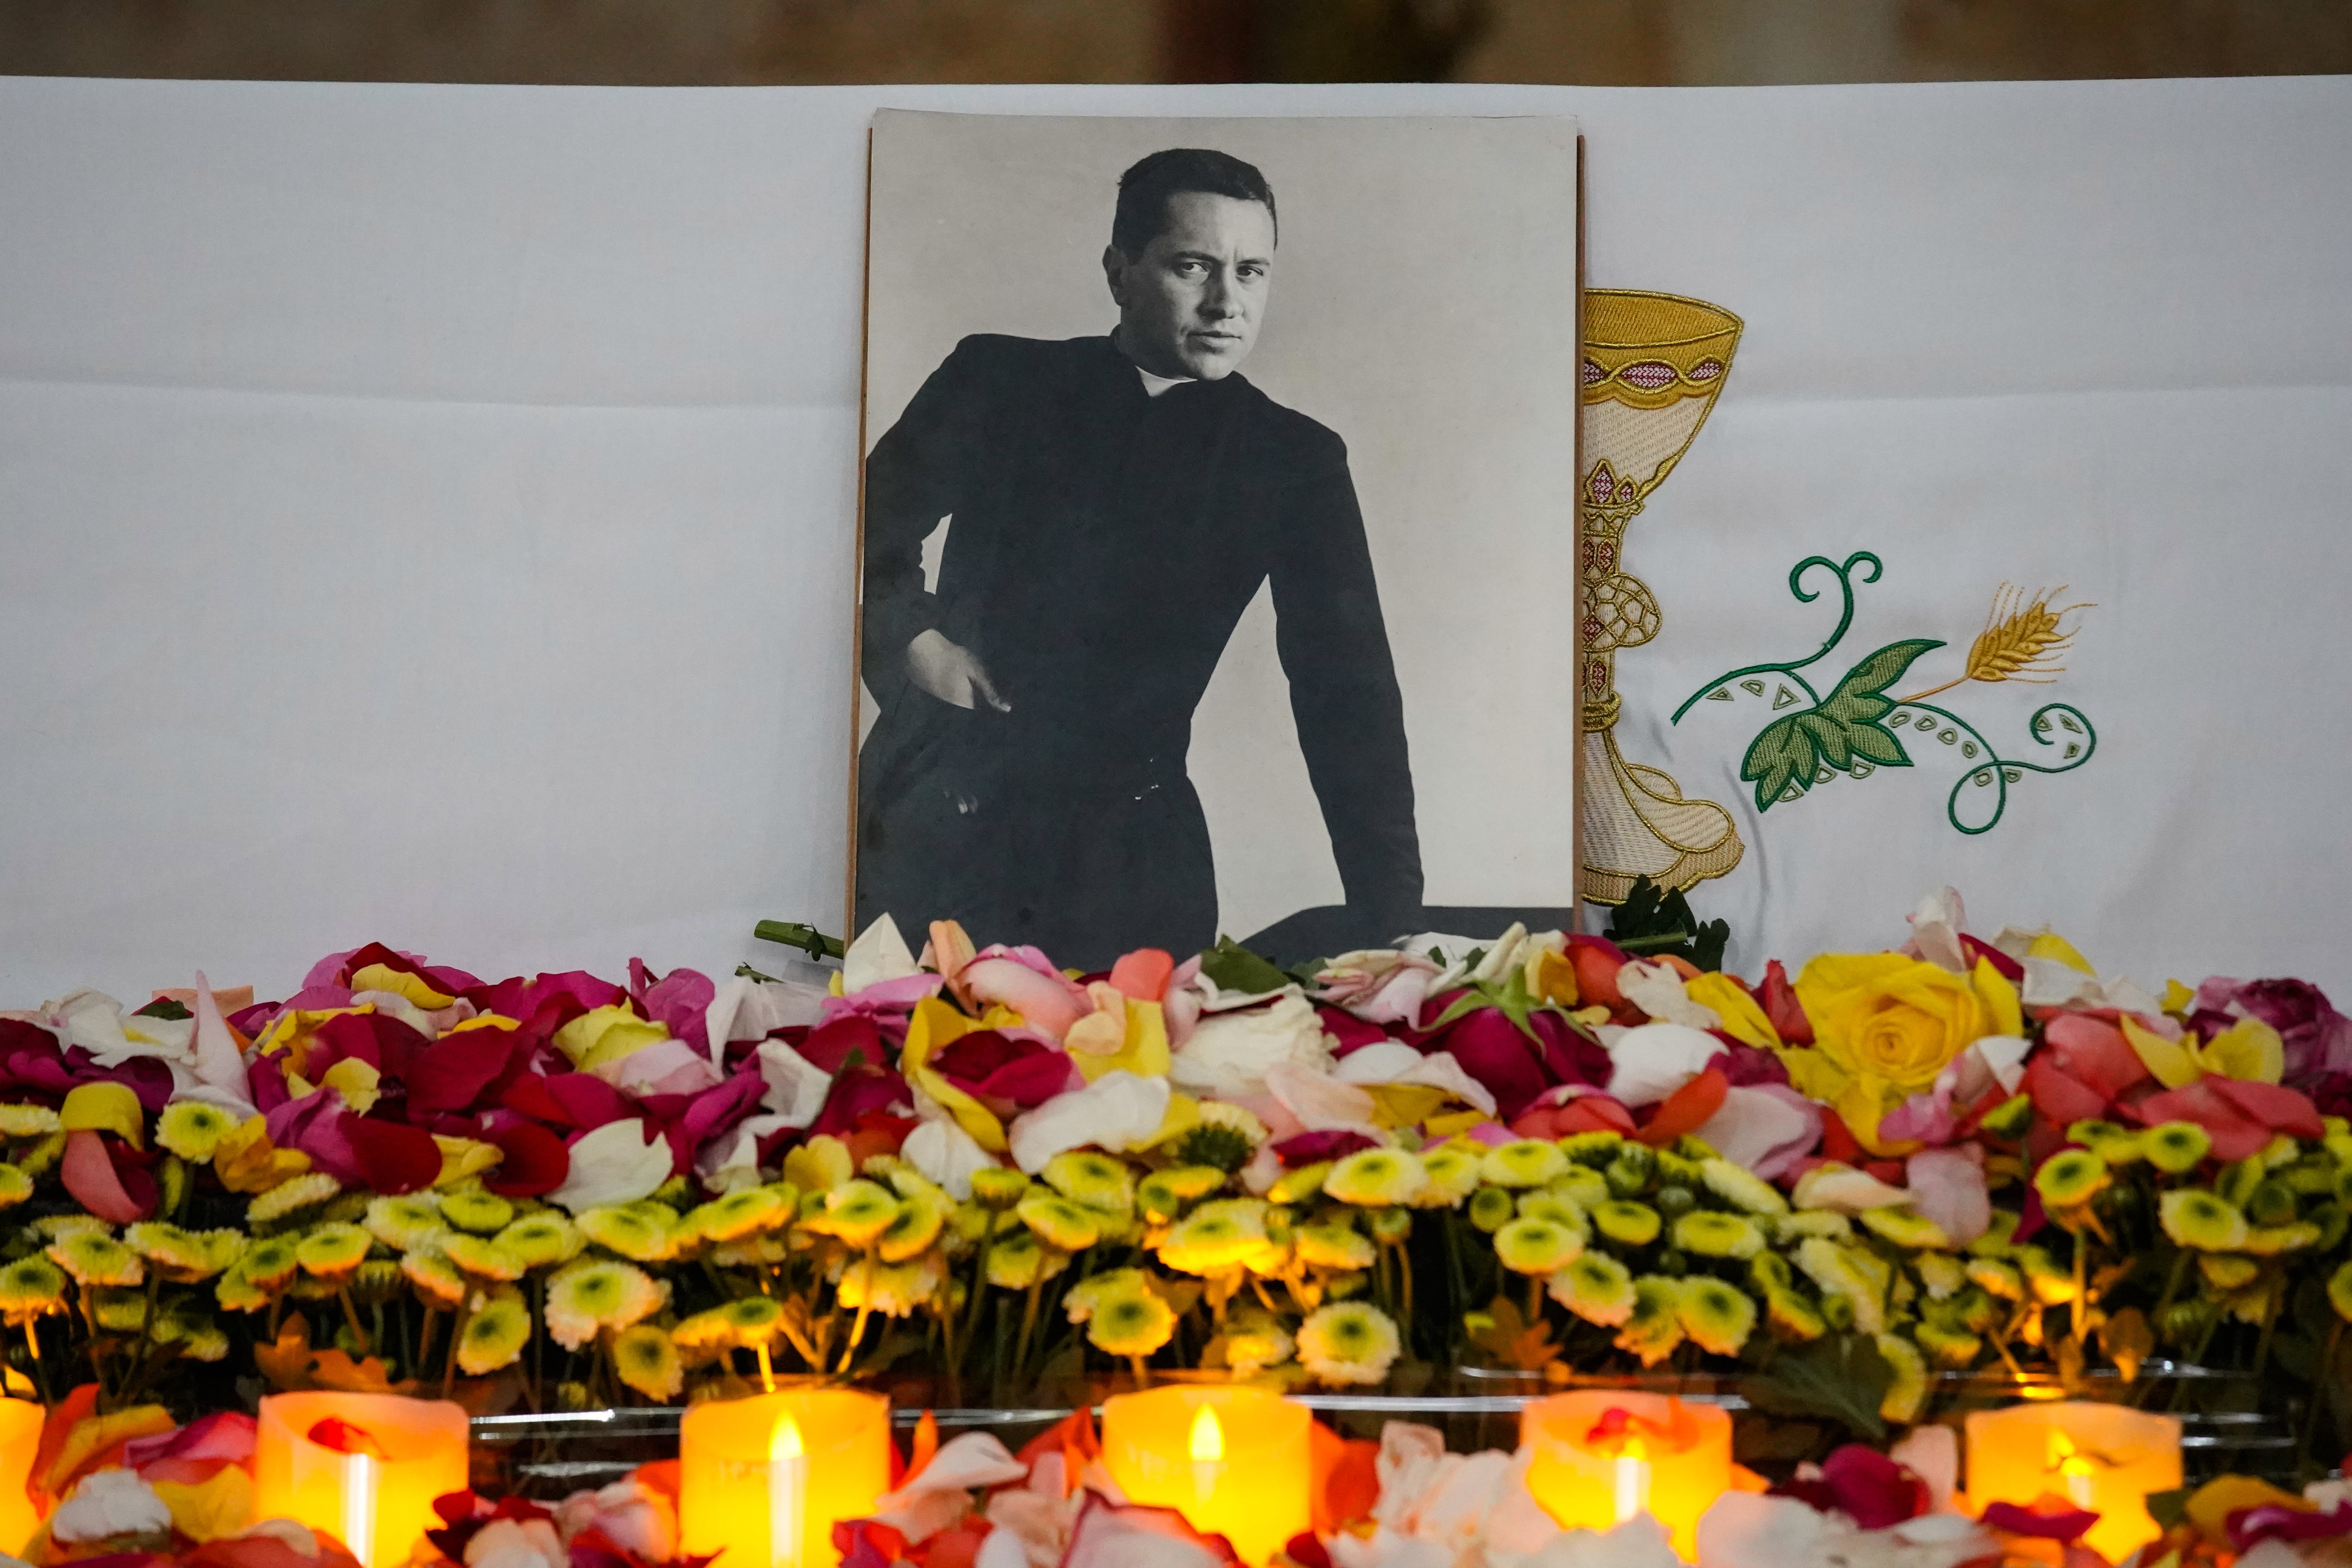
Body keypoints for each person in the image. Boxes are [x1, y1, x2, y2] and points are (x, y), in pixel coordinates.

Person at [855, 146, 1421, 969]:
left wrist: (1390, 915)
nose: (1228, 302)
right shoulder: (999, 380)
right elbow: (859, 526)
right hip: (942, 823)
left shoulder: (1294, 459)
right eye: (1194, 266)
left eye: (1252, 271)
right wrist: (916, 639)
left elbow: (1348, 693)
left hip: (1133, 871)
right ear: (1120, 272)